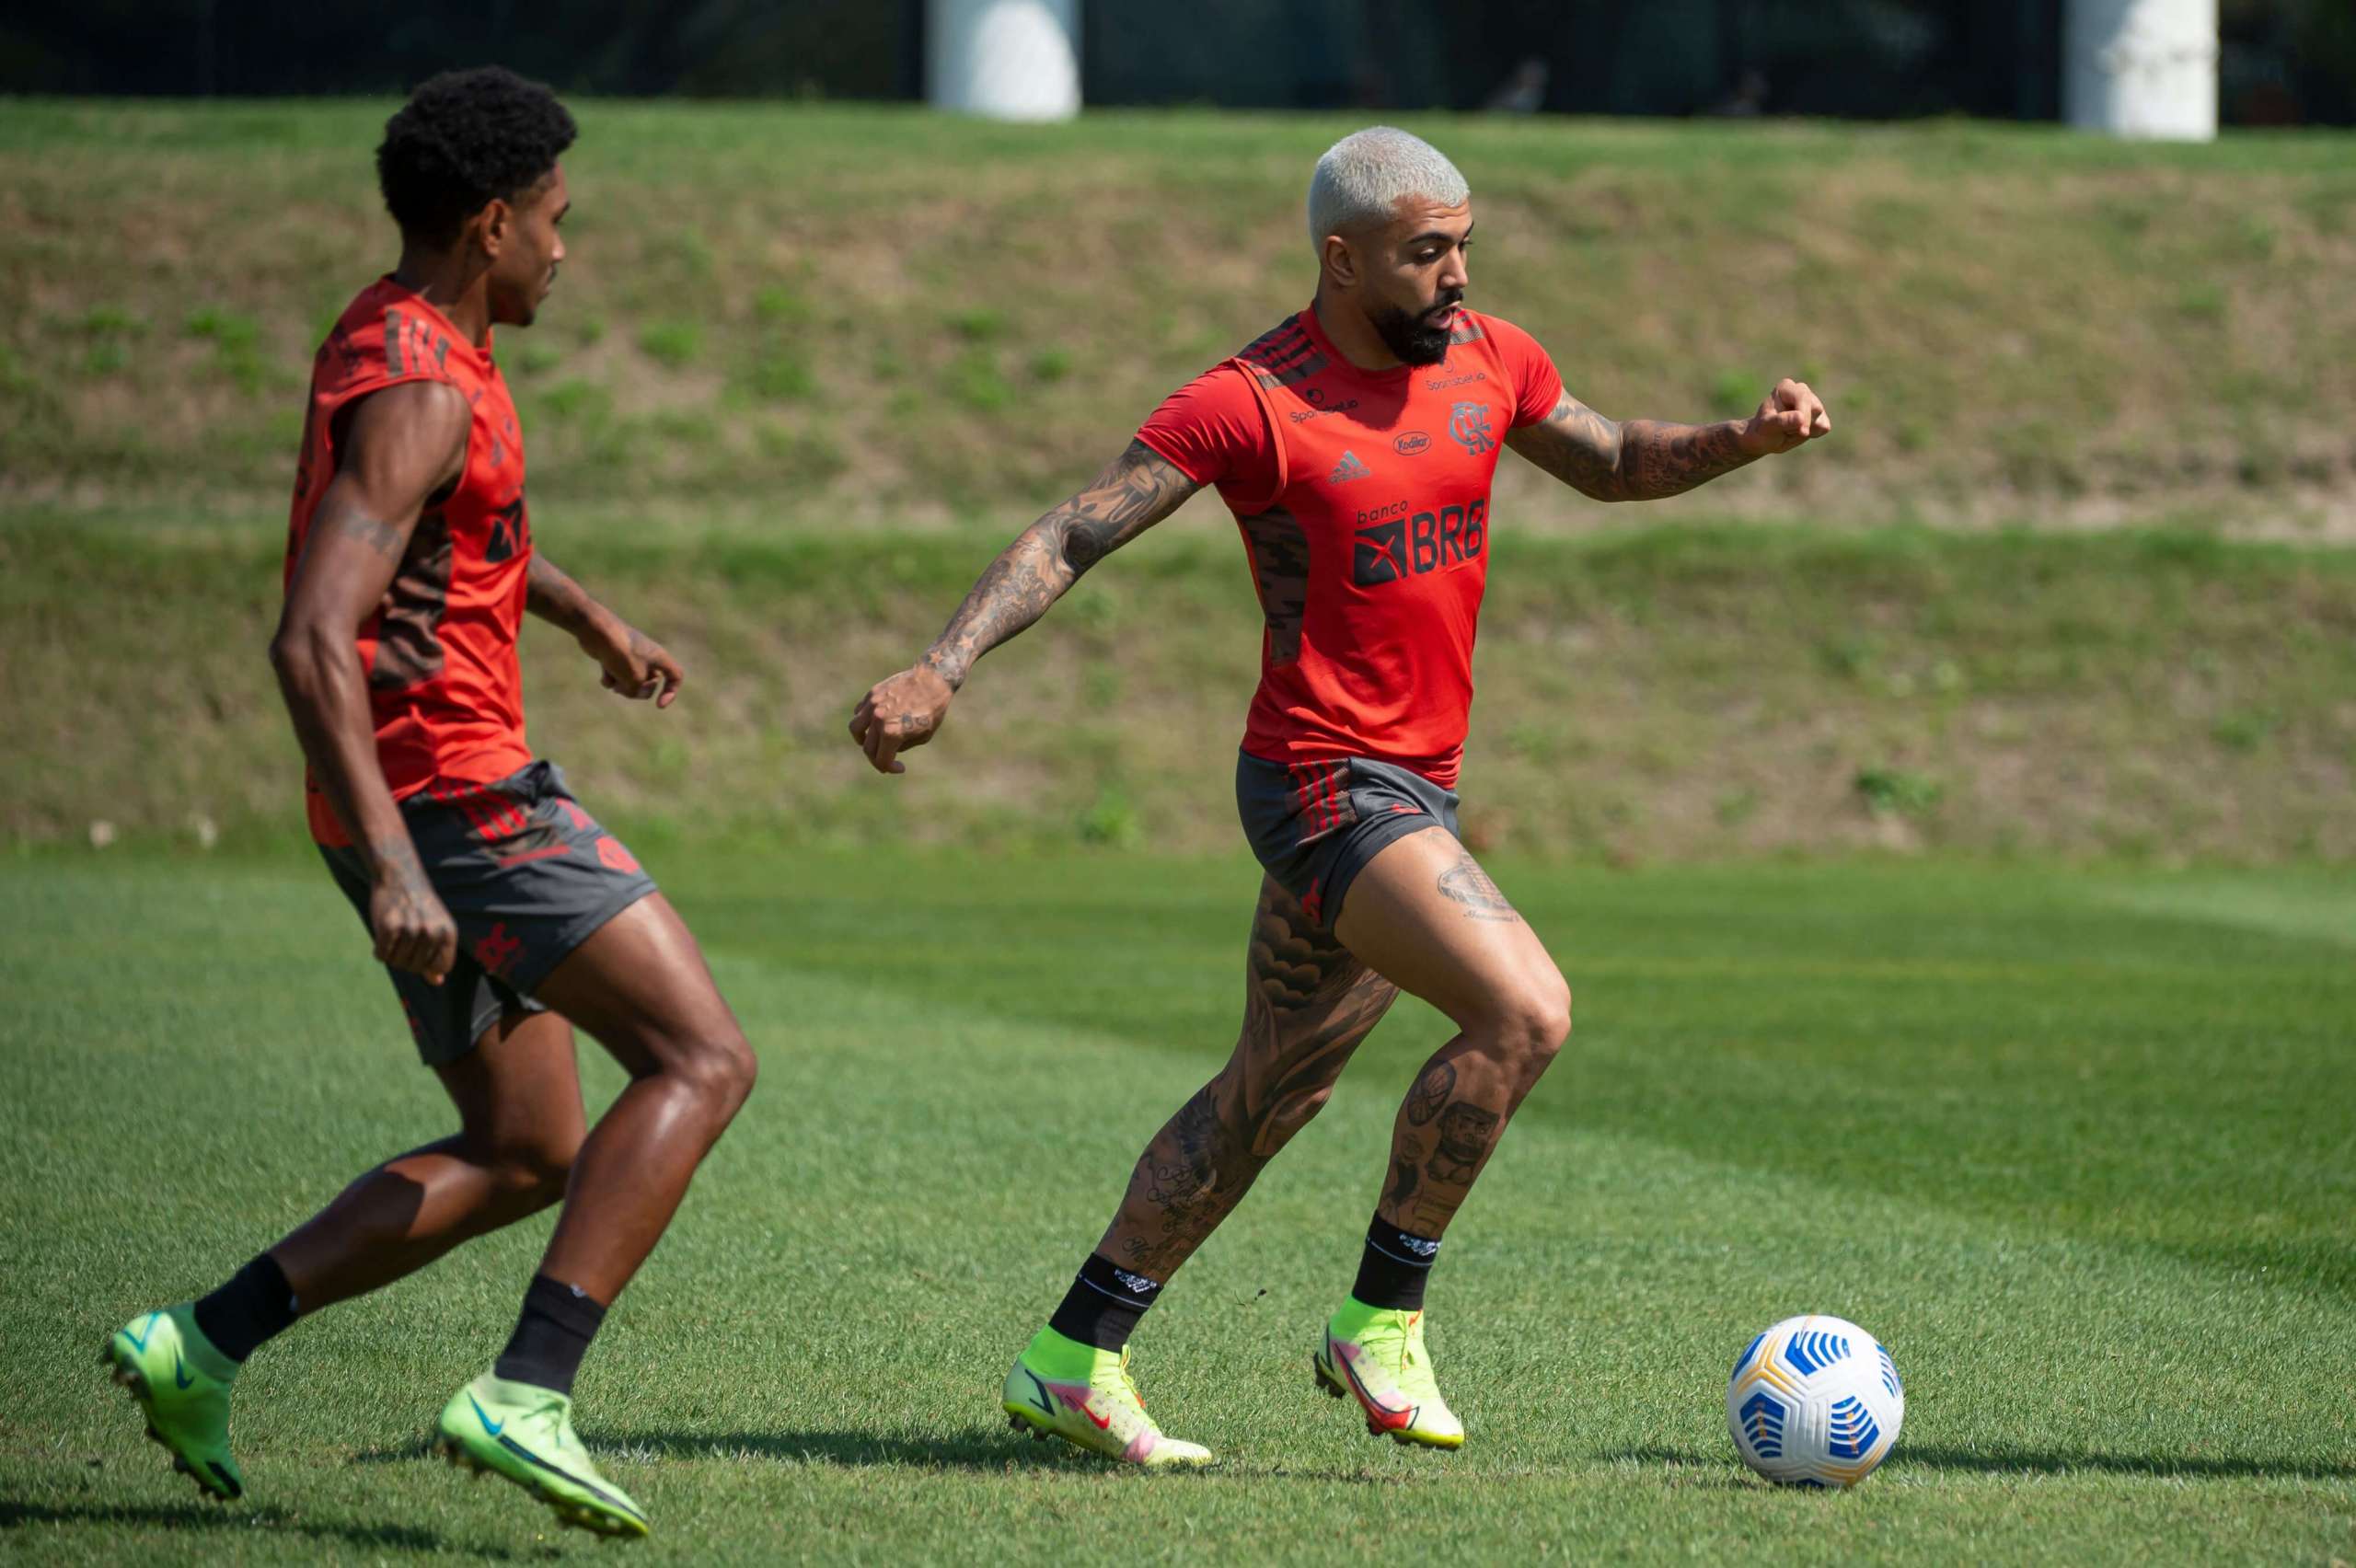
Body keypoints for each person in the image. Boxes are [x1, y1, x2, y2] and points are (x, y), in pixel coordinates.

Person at [850, 125, 1829, 1466]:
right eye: (1428, 253)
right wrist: (941, 665)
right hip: (1322, 784)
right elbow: (1076, 526)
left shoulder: (1492, 358)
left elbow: (1608, 458)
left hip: (1415, 786)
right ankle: (1381, 1320)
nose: (1457, 277)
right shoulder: (1253, 399)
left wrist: (1743, 440)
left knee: (1274, 1090)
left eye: (1466, 246)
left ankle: (1073, 1355)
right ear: (1341, 256)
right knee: (1524, 1008)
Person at [100, 67, 756, 1539]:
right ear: (488, 221)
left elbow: (455, 540)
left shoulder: (406, 335)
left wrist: (580, 615)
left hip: (414, 806)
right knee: (703, 1060)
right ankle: (528, 1393)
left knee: (526, 1149)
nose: (564, 250)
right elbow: (310, 633)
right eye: (552, 221)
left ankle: (198, 1345)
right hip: (456, 804)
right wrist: (404, 865)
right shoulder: (414, 384)